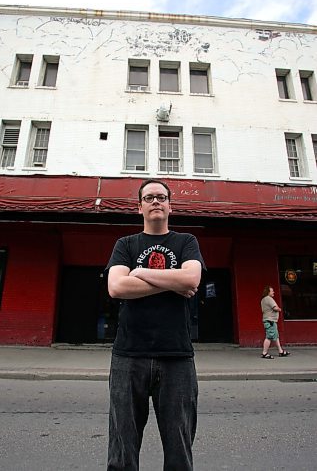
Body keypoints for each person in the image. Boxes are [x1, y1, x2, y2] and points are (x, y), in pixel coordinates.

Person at [106, 178, 206, 471]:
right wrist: (171, 283)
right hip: (128, 355)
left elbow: (191, 280)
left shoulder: (186, 241)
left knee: (179, 448)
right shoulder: (125, 244)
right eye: (149, 198)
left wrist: (139, 272)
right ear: (139, 207)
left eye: (161, 197)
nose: (155, 202)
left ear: (170, 205)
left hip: (176, 356)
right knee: (122, 449)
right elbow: (116, 288)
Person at [260, 285, 290, 359]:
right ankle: (264, 353)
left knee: (276, 336)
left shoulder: (263, 299)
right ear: (268, 292)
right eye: (272, 291)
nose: (274, 292)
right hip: (270, 321)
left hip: (269, 321)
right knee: (269, 337)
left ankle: (281, 351)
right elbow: (275, 308)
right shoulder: (269, 298)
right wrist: (279, 309)